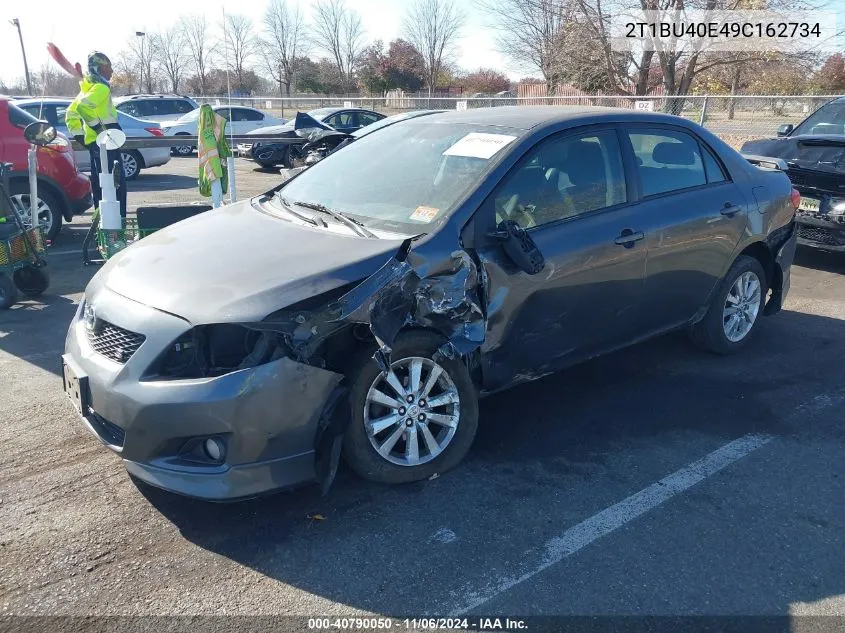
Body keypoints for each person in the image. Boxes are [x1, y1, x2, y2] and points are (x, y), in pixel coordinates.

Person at [65, 51, 127, 217]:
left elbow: (70, 114)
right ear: (99, 69)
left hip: (97, 145)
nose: (112, 71)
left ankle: (103, 225)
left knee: (101, 185)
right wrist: (100, 130)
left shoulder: (87, 90)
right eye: (108, 67)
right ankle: (116, 226)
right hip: (107, 144)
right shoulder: (100, 88)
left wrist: (84, 137)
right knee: (115, 185)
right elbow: (81, 108)